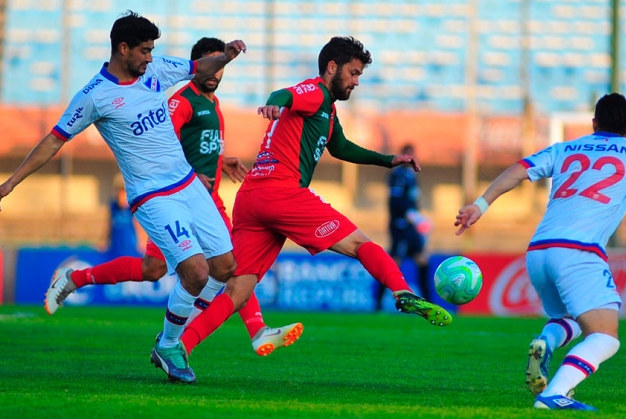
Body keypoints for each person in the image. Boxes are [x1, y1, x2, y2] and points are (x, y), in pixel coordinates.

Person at [0, 11, 247, 383]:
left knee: (224, 267)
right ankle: (171, 343)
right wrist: (11, 182)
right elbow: (54, 140)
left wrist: (225, 57)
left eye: (152, 50)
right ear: (122, 49)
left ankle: (170, 336)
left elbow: (196, 65)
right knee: (196, 271)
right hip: (153, 197)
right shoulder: (95, 95)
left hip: (188, 184)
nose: (150, 57)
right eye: (144, 50)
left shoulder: (155, 71)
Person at [177, 36, 453, 362]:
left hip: (252, 197)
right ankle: (402, 292)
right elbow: (286, 95)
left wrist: (389, 159)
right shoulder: (315, 92)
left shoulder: (327, 110)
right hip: (281, 192)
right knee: (361, 245)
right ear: (332, 67)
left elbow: (342, 148)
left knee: (238, 290)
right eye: (353, 73)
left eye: (359, 76)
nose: (355, 81)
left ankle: (178, 347)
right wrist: (274, 104)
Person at [42, 37, 303, 358]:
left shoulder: (212, 103)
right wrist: (192, 175)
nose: (215, 73)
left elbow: (191, 145)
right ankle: (79, 279)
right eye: (210, 64)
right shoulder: (183, 101)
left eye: (220, 65)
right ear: (196, 67)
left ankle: (250, 330)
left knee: (205, 266)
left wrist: (222, 160)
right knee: (181, 267)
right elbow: (162, 143)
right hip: (176, 198)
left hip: (204, 200)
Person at [454, 93, 626, 410]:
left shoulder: (565, 148)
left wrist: (480, 205)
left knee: (571, 317)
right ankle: (553, 394)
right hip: (579, 252)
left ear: (593, 122)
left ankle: (546, 340)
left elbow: (518, 169)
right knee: (605, 337)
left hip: (539, 251)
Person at [376, 143, 432, 310]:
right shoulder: (397, 175)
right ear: (403, 156)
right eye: (408, 155)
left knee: (422, 260)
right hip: (400, 226)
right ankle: (378, 303)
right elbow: (395, 201)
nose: (411, 158)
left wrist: (417, 217)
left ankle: (429, 303)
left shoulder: (412, 175)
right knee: (394, 263)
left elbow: (412, 201)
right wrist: (409, 214)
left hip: (411, 228)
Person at [105, 173, 144, 258]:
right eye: (119, 192)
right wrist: (105, 241)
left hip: (130, 248)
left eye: (123, 192)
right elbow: (109, 225)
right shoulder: (113, 206)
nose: (120, 195)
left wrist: (141, 243)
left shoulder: (132, 207)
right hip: (115, 248)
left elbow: (138, 226)